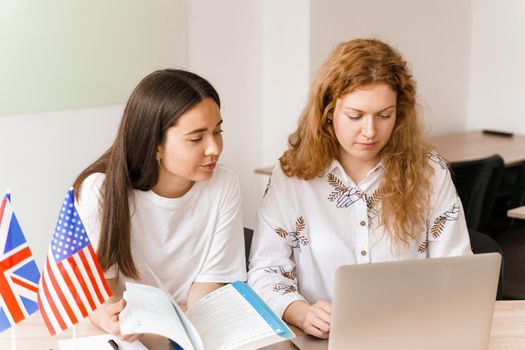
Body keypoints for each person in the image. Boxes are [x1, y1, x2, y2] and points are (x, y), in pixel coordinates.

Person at [247, 38, 472, 339]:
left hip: (411, 337)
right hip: (323, 341)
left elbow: (457, 270)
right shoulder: (292, 177)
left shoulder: (428, 172)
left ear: (400, 113)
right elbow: (264, 272)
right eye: (355, 116)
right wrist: (301, 312)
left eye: (384, 115)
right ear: (328, 111)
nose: (370, 132)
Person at [73, 69, 246, 340]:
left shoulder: (224, 184)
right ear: (155, 145)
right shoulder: (101, 191)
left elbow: (207, 287)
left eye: (217, 131)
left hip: (190, 325)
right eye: (196, 138)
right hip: (129, 330)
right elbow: (100, 294)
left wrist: (191, 338)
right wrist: (109, 318)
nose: (214, 148)